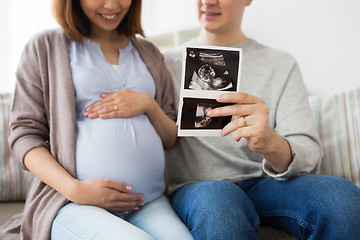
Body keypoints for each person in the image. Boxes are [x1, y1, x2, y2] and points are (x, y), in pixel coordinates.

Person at [163, 0, 360, 239]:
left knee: (341, 197)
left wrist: (271, 142)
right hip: (197, 187)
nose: (208, 1)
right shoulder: (164, 63)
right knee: (220, 201)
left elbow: (309, 152)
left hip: (265, 183)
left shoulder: (280, 64)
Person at [0, 0, 194, 240]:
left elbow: (170, 139)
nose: (111, 5)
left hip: (148, 202)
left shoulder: (150, 52)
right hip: (74, 203)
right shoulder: (45, 46)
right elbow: (24, 135)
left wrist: (148, 104)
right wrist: (76, 190)